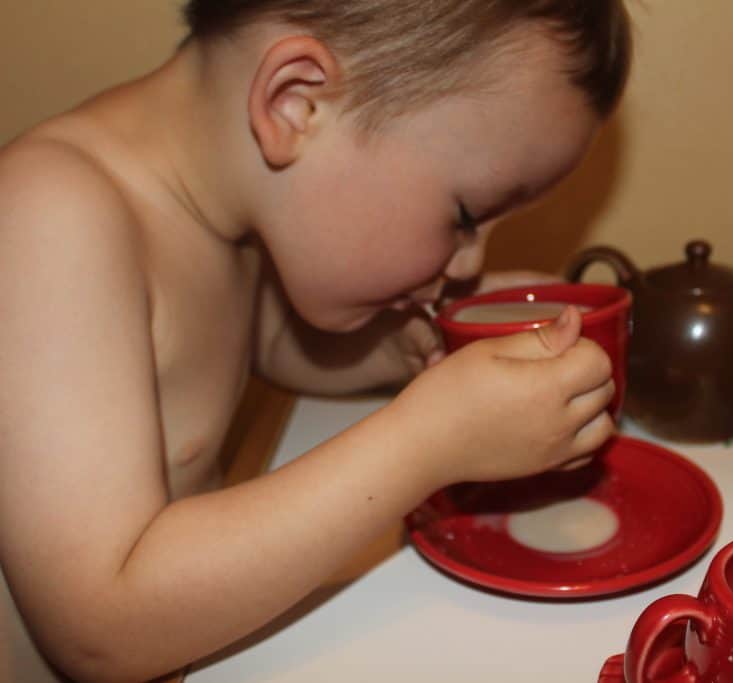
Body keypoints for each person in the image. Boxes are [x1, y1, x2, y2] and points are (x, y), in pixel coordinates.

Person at [0, 1, 632, 680]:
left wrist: (401, 348)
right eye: (466, 215)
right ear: (296, 102)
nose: (468, 263)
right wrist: (426, 440)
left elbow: (257, 344)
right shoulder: (49, 217)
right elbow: (98, 629)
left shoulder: (224, 208)